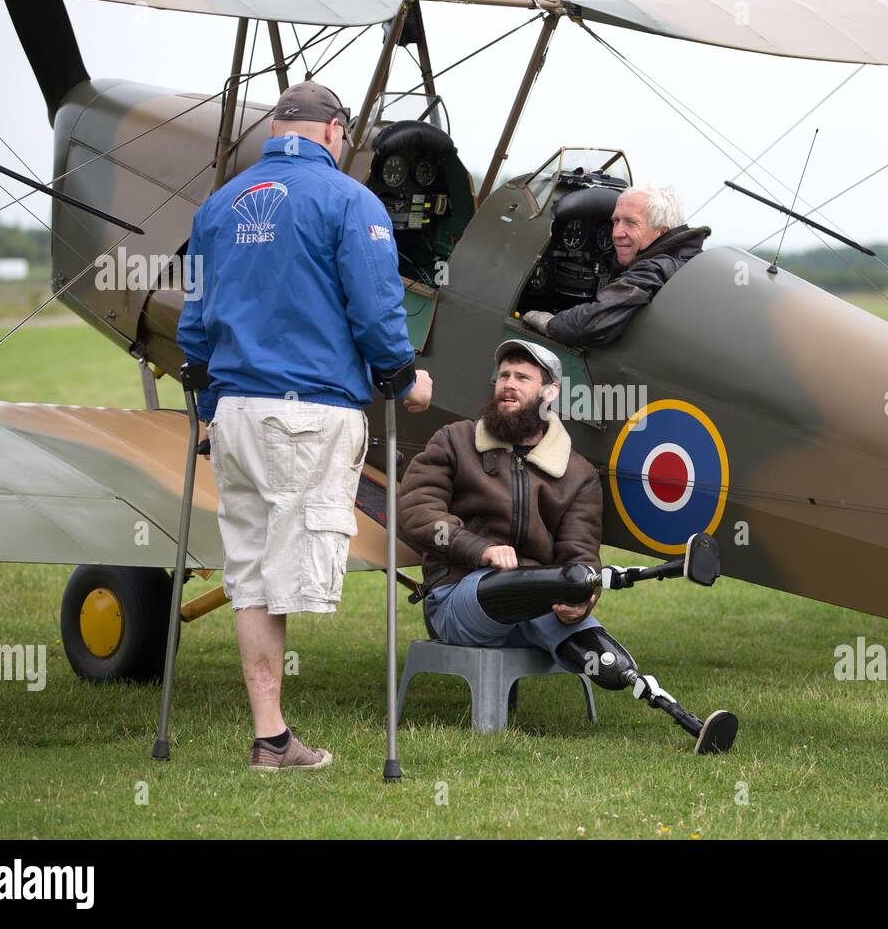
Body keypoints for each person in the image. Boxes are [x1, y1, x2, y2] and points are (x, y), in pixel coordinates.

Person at [178, 80, 433, 772]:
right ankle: (272, 738)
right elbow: (378, 315)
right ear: (331, 132)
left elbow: (193, 326)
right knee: (286, 570)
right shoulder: (351, 202)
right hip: (307, 413)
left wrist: (208, 412)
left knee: (253, 575)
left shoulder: (216, 207)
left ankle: (271, 735)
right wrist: (407, 381)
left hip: (233, 410)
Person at [398, 340, 737, 752]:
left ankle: (682, 716)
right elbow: (416, 511)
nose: (508, 384)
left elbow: (580, 553)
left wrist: (583, 599)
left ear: (550, 392)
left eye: (522, 377)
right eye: (504, 375)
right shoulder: (453, 441)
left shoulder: (577, 474)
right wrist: (479, 549)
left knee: (577, 595)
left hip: (538, 602)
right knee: (558, 583)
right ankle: (574, 592)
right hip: (457, 601)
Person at [522, 184, 710, 347]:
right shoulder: (690, 259)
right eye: (615, 221)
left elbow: (592, 325)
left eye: (631, 222)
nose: (617, 233)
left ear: (662, 230)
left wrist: (550, 323)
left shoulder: (657, 268)